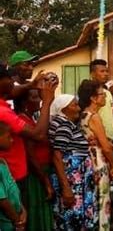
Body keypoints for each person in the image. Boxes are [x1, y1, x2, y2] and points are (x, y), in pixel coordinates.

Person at [0, 64, 56, 194]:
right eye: (9, 78)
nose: (12, 83)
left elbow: (13, 92)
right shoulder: (3, 112)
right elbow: (39, 135)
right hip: (12, 178)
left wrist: (32, 85)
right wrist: (47, 101)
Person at [48, 95, 98, 230]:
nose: (79, 108)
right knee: (72, 218)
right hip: (72, 182)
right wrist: (66, 188)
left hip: (77, 181)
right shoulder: (64, 124)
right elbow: (57, 156)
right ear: (63, 109)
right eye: (74, 105)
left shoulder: (65, 123)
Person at [78, 79, 113, 231]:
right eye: (102, 94)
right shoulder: (94, 117)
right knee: (102, 200)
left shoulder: (83, 115)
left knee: (92, 200)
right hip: (98, 161)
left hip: (88, 161)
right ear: (93, 98)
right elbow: (106, 147)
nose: (105, 97)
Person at [14, 89, 54, 231]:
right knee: (37, 210)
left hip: (42, 170)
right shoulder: (23, 120)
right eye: (34, 97)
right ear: (25, 102)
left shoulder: (32, 118)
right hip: (36, 173)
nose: (39, 100)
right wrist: (45, 180)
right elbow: (30, 155)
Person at [0, 122, 27, 231]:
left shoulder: (2, 162)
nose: (12, 140)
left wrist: (22, 209)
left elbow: (12, 189)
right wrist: (17, 221)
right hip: (7, 223)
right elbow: (2, 200)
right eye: (8, 136)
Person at [90, 59, 113, 141]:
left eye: (107, 71)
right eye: (102, 71)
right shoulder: (90, 93)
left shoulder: (108, 93)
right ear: (92, 74)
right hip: (97, 139)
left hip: (110, 139)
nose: (106, 74)